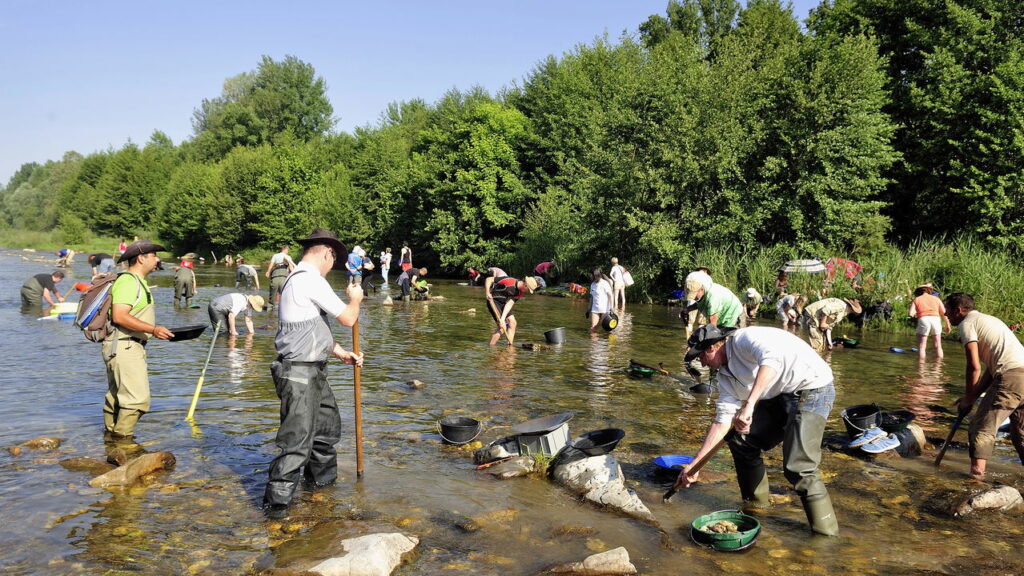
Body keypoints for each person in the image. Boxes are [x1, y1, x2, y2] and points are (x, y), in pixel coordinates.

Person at [673, 324, 839, 536]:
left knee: (799, 467)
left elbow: (772, 362)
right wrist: (694, 466)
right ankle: (757, 509)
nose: (702, 363)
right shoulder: (724, 377)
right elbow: (722, 422)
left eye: (701, 357)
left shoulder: (745, 338)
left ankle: (827, 536)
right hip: (779, 395)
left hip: (813, 387)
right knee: (741, 441)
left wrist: (749, 405)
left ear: (712, 348)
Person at [264, 228, 363, 518]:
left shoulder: (301, 280)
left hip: (312, 371)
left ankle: (321, 492)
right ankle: (276, 511)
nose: (332, 267)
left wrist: (342, 353)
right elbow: (347, 318)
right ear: (326, 253)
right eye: (334, 260)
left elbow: (311, 329)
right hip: (299, 374)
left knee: (325, 433)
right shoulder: (309, 279)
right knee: (296, 443)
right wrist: (355, 298)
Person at [944, 293, 1024, 479]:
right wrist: (972, 395)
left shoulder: (967, 324)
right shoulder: (989, 320)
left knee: (981, 426)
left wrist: (969, 399)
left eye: (947, 310)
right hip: (1019, 374)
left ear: (958, 310)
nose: (945, 315)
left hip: (1011, 376)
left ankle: (976, 478)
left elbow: (974, 366)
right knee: (1020, 432)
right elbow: (991, 368)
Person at [102, 240, 174, 439]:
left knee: (117, 398)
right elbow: (120, 316)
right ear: (142, 258)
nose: (157, 259)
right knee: (137, 400)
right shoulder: (129, 281)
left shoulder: (137, 282)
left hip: (125, 345)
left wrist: (154, 332)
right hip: (124, 346)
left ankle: (110, 440)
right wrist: (153, 329)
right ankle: (122, 442)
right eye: (154, 256)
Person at [485, 275, 539, 347]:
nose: (528, 292)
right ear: (525, 285)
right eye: (528, 290)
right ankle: (491, 347)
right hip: (493, 301)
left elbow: (509, 304)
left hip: (503, 304)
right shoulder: (509, 281)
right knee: (502, 328)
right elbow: (489, 279)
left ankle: (509, 347)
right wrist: (487, 292)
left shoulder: (520, 293)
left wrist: (503, 318)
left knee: (512, 323)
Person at [909, 284, 951, 359]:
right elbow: (944, 313)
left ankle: (921, 367)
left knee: (922, 346)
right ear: (929, 290)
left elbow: (910, 313)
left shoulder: (917, 299)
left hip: (924, 319)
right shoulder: (936, 299)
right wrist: (948, 325)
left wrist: (917, 312)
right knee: (938, 345)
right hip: (936, 319)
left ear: (918, 291)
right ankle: (938, 367)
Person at [588, 267, 613, 333]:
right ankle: (594, 343)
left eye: (593, 277)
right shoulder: (592, 284)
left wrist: (612, 308)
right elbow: (591, 297)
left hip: (605, 310)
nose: (592, 279)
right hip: (595, 309)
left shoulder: (605, 283)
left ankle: (605, 343)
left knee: (606, 329)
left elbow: (610, 296)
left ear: (597, 276)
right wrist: (589, 309)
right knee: (593, 328)